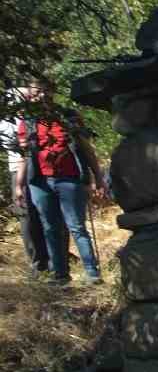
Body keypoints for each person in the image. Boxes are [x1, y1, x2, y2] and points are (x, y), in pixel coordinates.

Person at [11, 81, 106, 284]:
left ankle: (92, 273)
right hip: (40, 182)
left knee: (76, 226)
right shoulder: (28, 122)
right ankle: (61, 276)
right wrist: (19, 185)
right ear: (30, 96)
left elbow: (86, 149)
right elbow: (25, 155)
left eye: (45, 91)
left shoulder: (68, 117)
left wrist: (98, 178)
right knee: (50, 228)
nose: (41, 96)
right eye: (36, 92)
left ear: (52, 92)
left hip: (69, 179)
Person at [1, 90, 49, 275]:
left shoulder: (37, 116)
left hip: (42, 168)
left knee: (46, 214)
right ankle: (38, 263)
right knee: (27, 216)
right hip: (19, 169)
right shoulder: (8, 121)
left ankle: (51, 258)